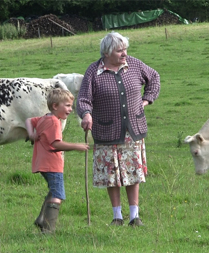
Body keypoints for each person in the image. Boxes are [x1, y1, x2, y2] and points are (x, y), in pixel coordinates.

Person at [76, 31, 160, 226]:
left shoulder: (135, 65)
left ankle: (134, 216)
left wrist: (146, 100)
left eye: (125, 49)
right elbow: (83, 99)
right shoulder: (93, 72)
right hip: (106, 131)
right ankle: (117, 216)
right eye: (119, 50)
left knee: (132, 172)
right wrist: (86, 114)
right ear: (106, 53)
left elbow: (154, 77)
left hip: (132, 129)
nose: (124, 54)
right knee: (111, 174)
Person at [25, 88, 89, 233]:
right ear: (55, 106)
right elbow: (56, 144)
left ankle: (41, 219)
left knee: (53, 190)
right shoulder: (54, 122)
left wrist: (31, 134)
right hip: (52, 164)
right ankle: (48, 229)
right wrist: (76, 146)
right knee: (57, 194)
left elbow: (29, 120)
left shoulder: (44, 118)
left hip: (42, 163)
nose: (70, 109)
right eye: (67, 105)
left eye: (71, 106)